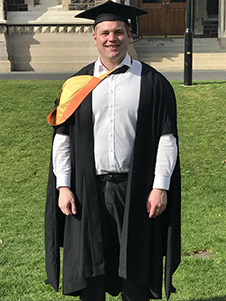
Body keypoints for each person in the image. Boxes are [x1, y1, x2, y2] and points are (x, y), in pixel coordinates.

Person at [45, 1, 181, 300]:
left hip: (135, 190)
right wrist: (63, 186)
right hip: (87, 191)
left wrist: (160, 187)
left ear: (129, 35)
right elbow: (62, 140)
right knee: (90, 273)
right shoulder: (76, 85)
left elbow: (166, 140)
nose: (112, 39)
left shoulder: (153, 84)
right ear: (94, 37)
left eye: (118, 32)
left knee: (135, 273)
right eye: (104, 32)